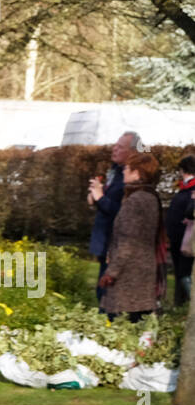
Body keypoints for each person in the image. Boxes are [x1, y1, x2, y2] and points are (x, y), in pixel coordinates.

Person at [99, 152, 165, 322]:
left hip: (129, 274)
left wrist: (111, 272)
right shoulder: (150, 197)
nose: (123, 172)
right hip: (142, 269)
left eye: (127, 169)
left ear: (137, 173)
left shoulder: (135, 200)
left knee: (122, 324)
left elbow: (128, 240)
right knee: (137, 321)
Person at [88, 131, 140, 301]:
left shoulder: (131, 177)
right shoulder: (116, 171)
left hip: (116, 241)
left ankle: (110, 321)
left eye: (120, 147)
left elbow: (123, 212)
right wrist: (95, 196)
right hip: (105, 238)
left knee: (107, 291)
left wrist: (100, 197)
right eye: (115, 145)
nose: (114, 149)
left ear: (132, 152)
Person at [164, 153, 195, 307]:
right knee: (180, 273)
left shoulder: (191, 189)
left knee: (183, 274)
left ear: (184, 170)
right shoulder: (186, 189)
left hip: (185, 239)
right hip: (179, 238)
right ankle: (180, 305)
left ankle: (183, 305)